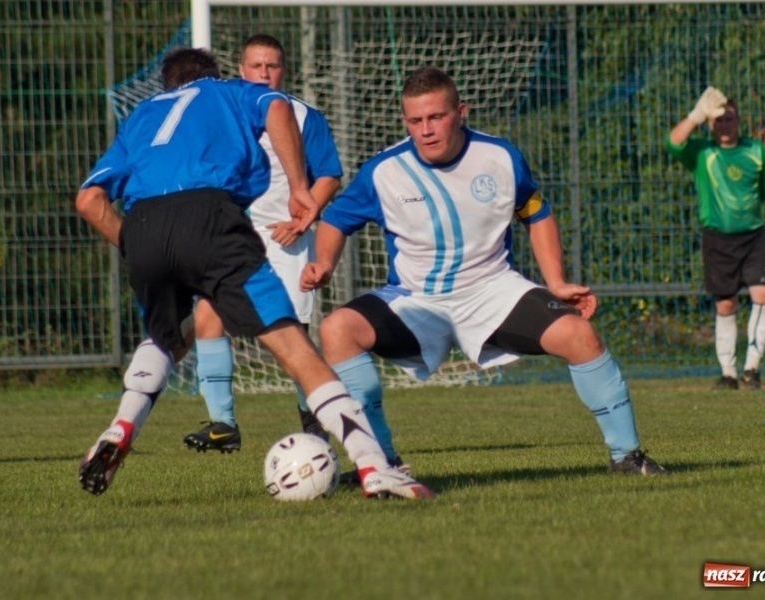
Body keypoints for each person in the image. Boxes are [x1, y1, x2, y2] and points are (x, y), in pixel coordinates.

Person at [75, 47, 433, 500]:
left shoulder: (142, 115)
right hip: (209, 216)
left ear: (166, 85)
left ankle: (120, 426)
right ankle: (373, 466)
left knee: (168, 336)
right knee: (295, 348)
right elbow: (278, 106)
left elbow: (88, 201)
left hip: (142, 222)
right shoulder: (230, 92)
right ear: (215, 74)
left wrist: (138, 245)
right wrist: (299, 188)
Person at [301, 66, 666, 479]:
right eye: (415, 121)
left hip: (493, 291)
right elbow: (336, 220)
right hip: (414, 300)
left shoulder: (500, 157)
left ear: (461, 112)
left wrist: (557, 281)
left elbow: (535, 211)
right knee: (337, 330)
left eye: (436, 117)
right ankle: (383, 462)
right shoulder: (384, 170)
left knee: (579, 336)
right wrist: (325, 263)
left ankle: (627, 457)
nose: (426, 130)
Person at [182, 34, 341, 453]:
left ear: (283, 71)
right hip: (232, 238)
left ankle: (314, 424)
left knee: (292, 336)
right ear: (241, 70)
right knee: (207, 317)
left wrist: (304, 217)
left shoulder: (306, 117)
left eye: (272, 66)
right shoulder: (223, 115)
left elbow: (328, 174)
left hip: (285, 239)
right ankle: (222, 424)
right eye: (256, 66)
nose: (264, 73)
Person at [666, 87, 765, 390]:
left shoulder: (755, 151)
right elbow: (672, 143)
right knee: (725, 305)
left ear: (738, 121)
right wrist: (696, 115)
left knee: (764, 296)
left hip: (754, 237)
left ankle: (752, 370)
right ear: (711, 124)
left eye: (730, 119)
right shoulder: (702, 153)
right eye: (719, 119)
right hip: (718, 239)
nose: (725, 125)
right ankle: (728, 373)